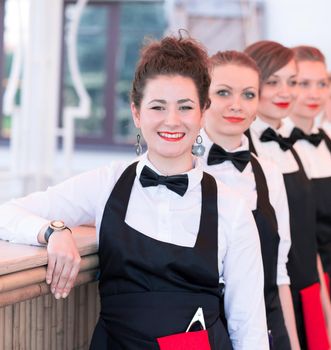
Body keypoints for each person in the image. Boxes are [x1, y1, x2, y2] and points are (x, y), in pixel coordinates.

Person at [0, 34, 268, 349]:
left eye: (185, 107)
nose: (171, 120)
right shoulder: (107, 183)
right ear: (137, 113)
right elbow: (7, 212)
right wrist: (53, 231)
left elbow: (249, 327)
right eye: (157, 107)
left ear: (201, 113)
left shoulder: (231, 207)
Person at [199, 50, 298, 349]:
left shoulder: (270, 172)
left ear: (257, 105)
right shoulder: (180, 169)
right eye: (223, 92)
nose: (236, 105)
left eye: (248, 94)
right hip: (203, 331)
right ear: (203, 99)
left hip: (268, 329)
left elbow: (280, 272)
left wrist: (292, 343)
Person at [244, 40, 330, 349]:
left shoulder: (291, 146)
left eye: (291, 82)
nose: (285, 92)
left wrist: (322, 302)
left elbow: (306, 235)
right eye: (273, 81)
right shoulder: (241, 150)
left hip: (307, 288)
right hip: (270, 294)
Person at [285, 46, 331, 302]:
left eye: (322, 84)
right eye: (303, 83)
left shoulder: (328, 141)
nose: (314, 93)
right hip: (298, 280)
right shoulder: (270, 147)